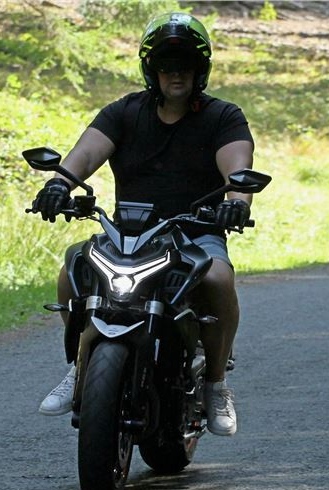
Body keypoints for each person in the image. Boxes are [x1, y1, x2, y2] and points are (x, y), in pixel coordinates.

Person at [31, 12, 256, 436]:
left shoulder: (223, 117)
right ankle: (80, 367)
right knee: (73, 269)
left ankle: (215, 384)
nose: (176, 73)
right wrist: (59, 185)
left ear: (200, 70)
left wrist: (237, 204)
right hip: (129, 234)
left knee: (218, 278)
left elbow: (238, 169)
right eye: (166, 65)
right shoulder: (124, 112)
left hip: (195, 232)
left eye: (185, 64)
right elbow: (85, 154)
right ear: (151, 69)